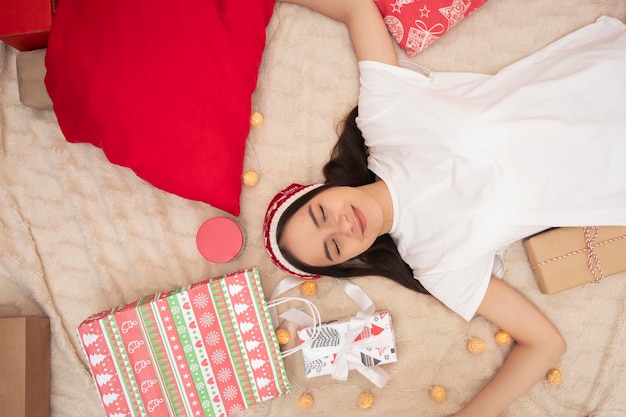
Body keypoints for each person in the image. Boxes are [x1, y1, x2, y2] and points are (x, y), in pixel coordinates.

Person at [263, 1, 626, 416]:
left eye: (322, 214)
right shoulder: (436, 265)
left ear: (323, 189)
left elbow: (355, 7)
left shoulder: (385, 117)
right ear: (351, 259)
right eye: (333, 247)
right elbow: (544, 343)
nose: (343, 225)